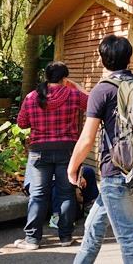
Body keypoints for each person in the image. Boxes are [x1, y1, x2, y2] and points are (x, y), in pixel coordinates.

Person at [69, 36, 133, 264]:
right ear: (129, 58)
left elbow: (86, 139)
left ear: (102, 59)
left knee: (129, 238)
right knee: (92, 227)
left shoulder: (102, 90)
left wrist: (72, 168)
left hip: (115, 171)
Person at [14, 62, 89, 250]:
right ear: (64, 78)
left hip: (39, 151)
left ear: (46, 76)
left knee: (38, 195)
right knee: (66, 193)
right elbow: (92, 102)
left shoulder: (32, 97)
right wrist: (76, 85)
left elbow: (22, 123)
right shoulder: (73, 95)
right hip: (67, 151)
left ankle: (32, 240)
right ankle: (65, 237)